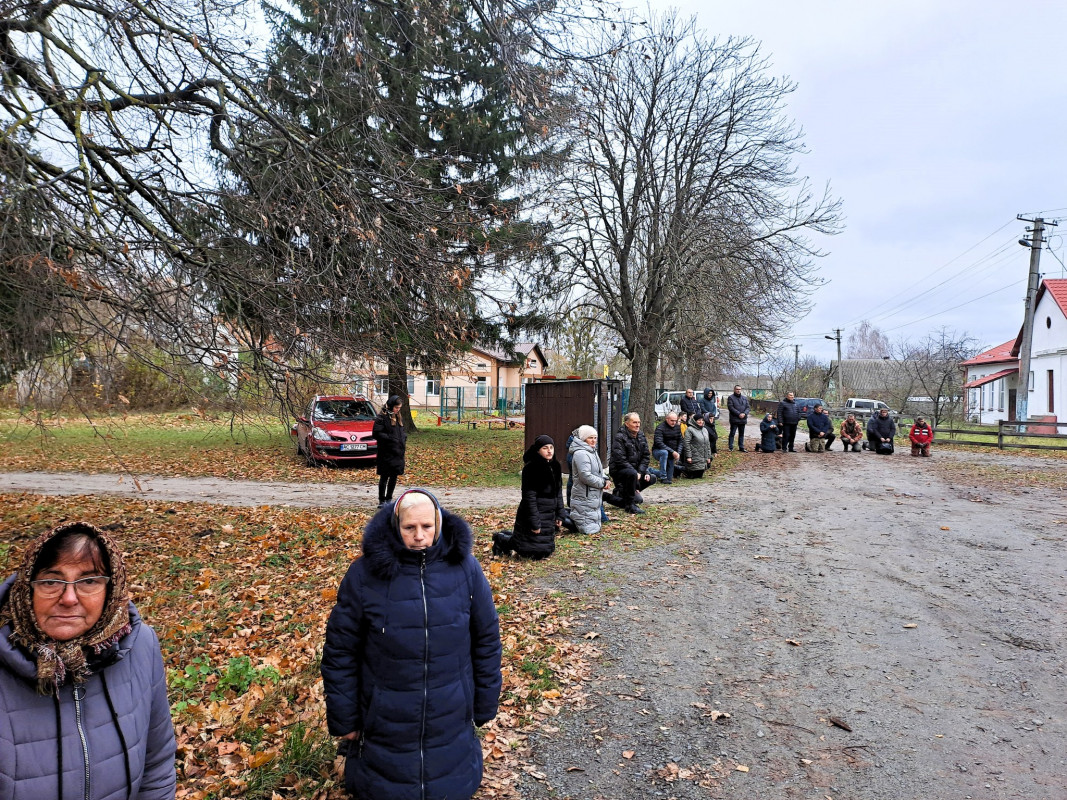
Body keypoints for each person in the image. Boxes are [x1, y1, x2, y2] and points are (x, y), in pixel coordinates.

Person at [323, 490, 502, 800]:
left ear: (439, 524)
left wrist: (485, 702)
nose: (419, 536)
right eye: (409, 528)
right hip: (385, 722)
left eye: (427, 527)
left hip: (451, 715)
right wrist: (345, 718)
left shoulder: (466, 569)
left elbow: (486, 638)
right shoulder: (364, 575)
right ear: (395, 526)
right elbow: (340, 650)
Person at [0, 523, 176, 800]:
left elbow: (157, 766)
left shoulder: (140, 646)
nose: (69, 599)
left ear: (111, 589)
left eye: (89, 581)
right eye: (50, 581)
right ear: (27, 588)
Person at [492, 435, 564, 558]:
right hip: (533, 511)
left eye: (551, 447)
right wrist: (534, 522)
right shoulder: (531, 468)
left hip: (549, 513)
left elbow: (558, 492)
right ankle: (500, 539)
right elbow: (529, 497)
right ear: (538, 451)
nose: (549, 450)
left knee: (544, 552)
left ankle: (508, 537)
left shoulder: (555, 466)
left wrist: (560, 513)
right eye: (545, 448)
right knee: (525, 548)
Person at [569, 426, 616, 533]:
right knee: (584, 512)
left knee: (592, 511)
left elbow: (599, 470)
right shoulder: (581, 453)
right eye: (591, 438)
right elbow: (585, 475)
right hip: (584, 492)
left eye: (595, 437)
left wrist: (606, 479)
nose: (594, 440)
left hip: (592, 491)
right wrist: (602, 483)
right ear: (584, 439)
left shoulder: (591, 451)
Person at [609, 412, 657, 514]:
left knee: (651, 477)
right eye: (634, 422)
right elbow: (620, 460)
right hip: (620, 470)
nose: (637, 425)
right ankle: (630, 505)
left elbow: (646, 456)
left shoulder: (641, 435)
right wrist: (635, 473)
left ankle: (624, 491)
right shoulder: (620, 437)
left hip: (635, 471)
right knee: (637, 498)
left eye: (639, 422)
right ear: (627, 423)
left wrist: (641, 472)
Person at [372, 395, 408, 506]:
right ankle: (382, 500)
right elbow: (376, 433)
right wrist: (390, 439)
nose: (398, 410)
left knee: (394, 476)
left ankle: (389, 499)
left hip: (397, 452)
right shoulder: (381, 417)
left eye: (399, 408)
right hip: (386, 452)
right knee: (384, 476)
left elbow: (401, 431)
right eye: (396, 407)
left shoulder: (398, 417)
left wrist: (403, 439)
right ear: (391, 406)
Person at [652, 412, 683, 484]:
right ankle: (663, 477)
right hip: (659, 451)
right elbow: (659, 443)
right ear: (667, 419)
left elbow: (681, 441)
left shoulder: (677, 427)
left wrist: (678, 452)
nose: (674, 422)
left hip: (671, 454)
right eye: (672, 420)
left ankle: (650, 471)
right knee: (664, 452)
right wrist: (672, 451)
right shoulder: (660, 428)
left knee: (669, 478)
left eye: (675, 420)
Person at [681, 412, 713, 478]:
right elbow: (686, 443)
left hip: (703, 457)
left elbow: (707, 444)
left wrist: (709, 457)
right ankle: (679, 469)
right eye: (699, 420)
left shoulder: (705, 430)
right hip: (693, 456)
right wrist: (688, 456)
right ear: (695, 421)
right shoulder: (690, 430)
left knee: (699, 475)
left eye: (702, 420)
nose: (701, 422)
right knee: (693, 476)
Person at [726, 385, 750, 452]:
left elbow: (748, 407)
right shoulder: (731, 398)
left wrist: (744, 413)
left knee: (741, 434)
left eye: (739, 389)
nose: (738, 390)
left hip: (743, 419)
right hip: (734, 419)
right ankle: (730, 447)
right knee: (732, 433)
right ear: (734, 389)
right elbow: (731, 407)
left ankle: (741, 447)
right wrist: (738, 414)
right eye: (737, 389)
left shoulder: (744, 398)